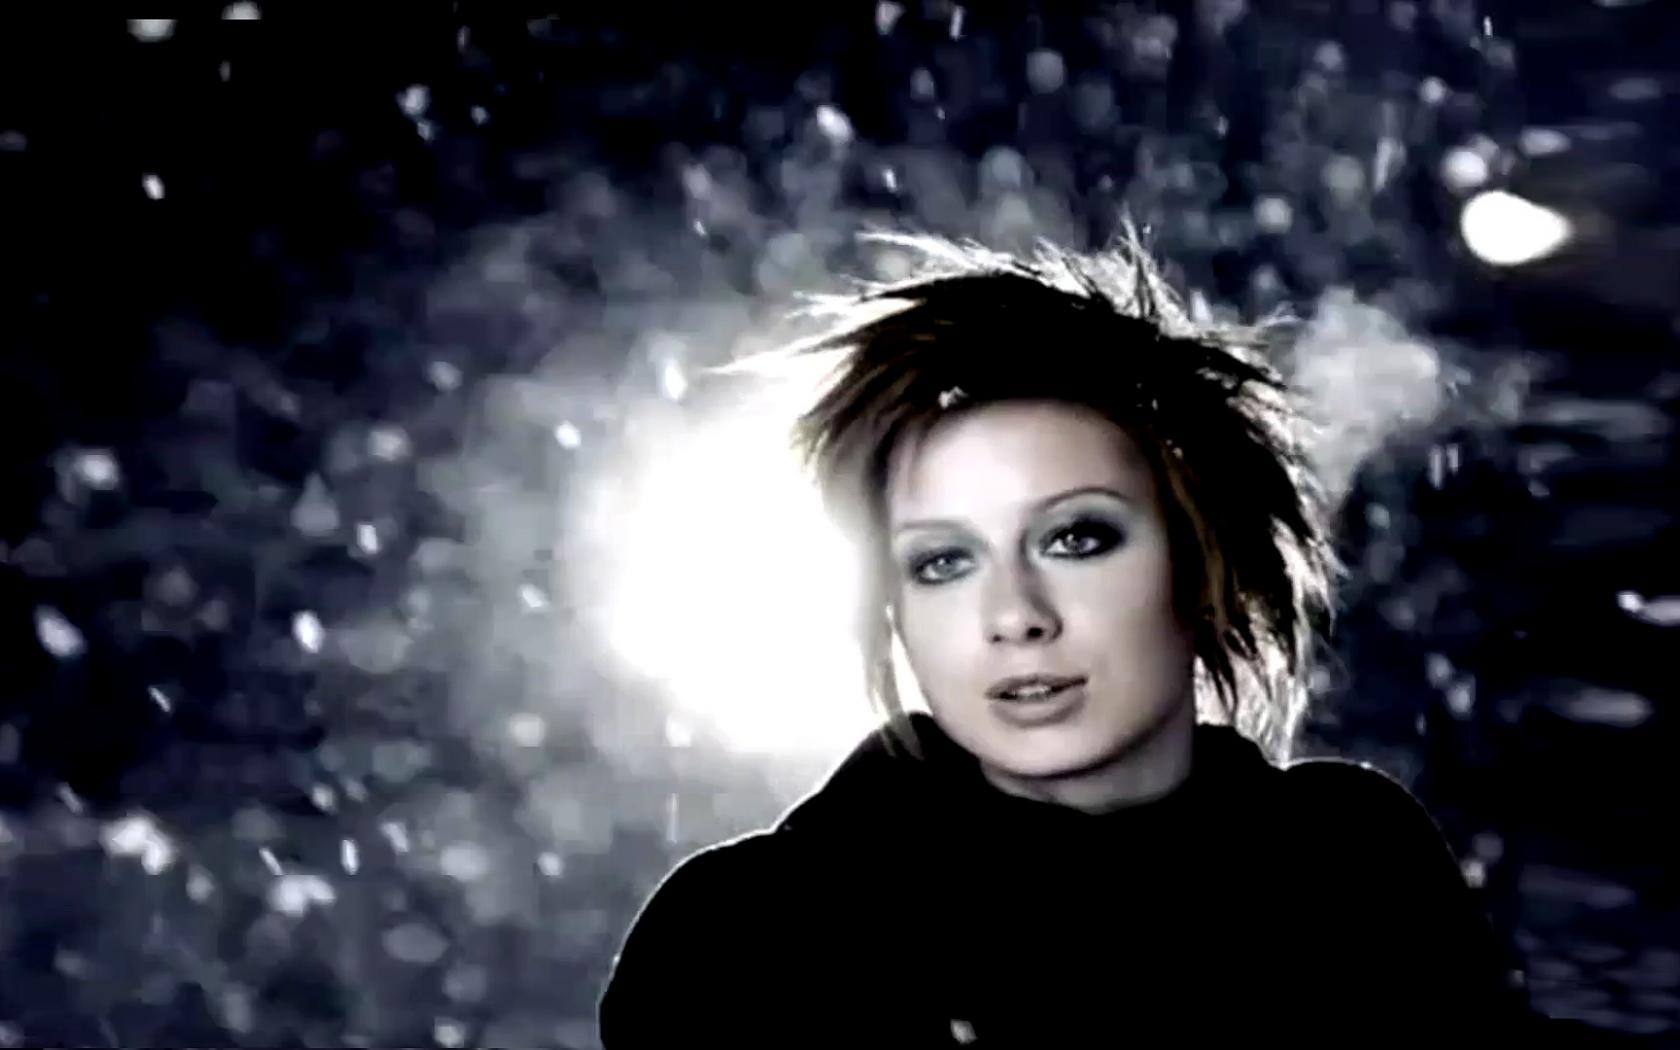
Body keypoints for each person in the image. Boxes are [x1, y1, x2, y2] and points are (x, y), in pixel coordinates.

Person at [596, 230, 1534, 1045]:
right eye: (943, 562)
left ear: (1200, 558)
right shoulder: (751, 936)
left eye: (1076, 538)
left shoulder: (1355, 872)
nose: (1014, 614)